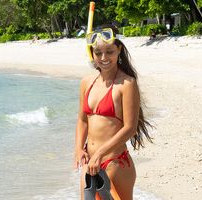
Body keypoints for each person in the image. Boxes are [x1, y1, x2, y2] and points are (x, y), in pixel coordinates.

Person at [75, 25, 154, 200]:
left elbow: (129, 128)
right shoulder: (86, 83)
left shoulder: (127, 84)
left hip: (115, 163)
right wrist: (79, 148)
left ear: (118, 50)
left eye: (109, 52)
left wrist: (100, 154)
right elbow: (82, 120)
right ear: (91, 54)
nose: (104, 58)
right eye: (98, 53)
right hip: (90, 164)